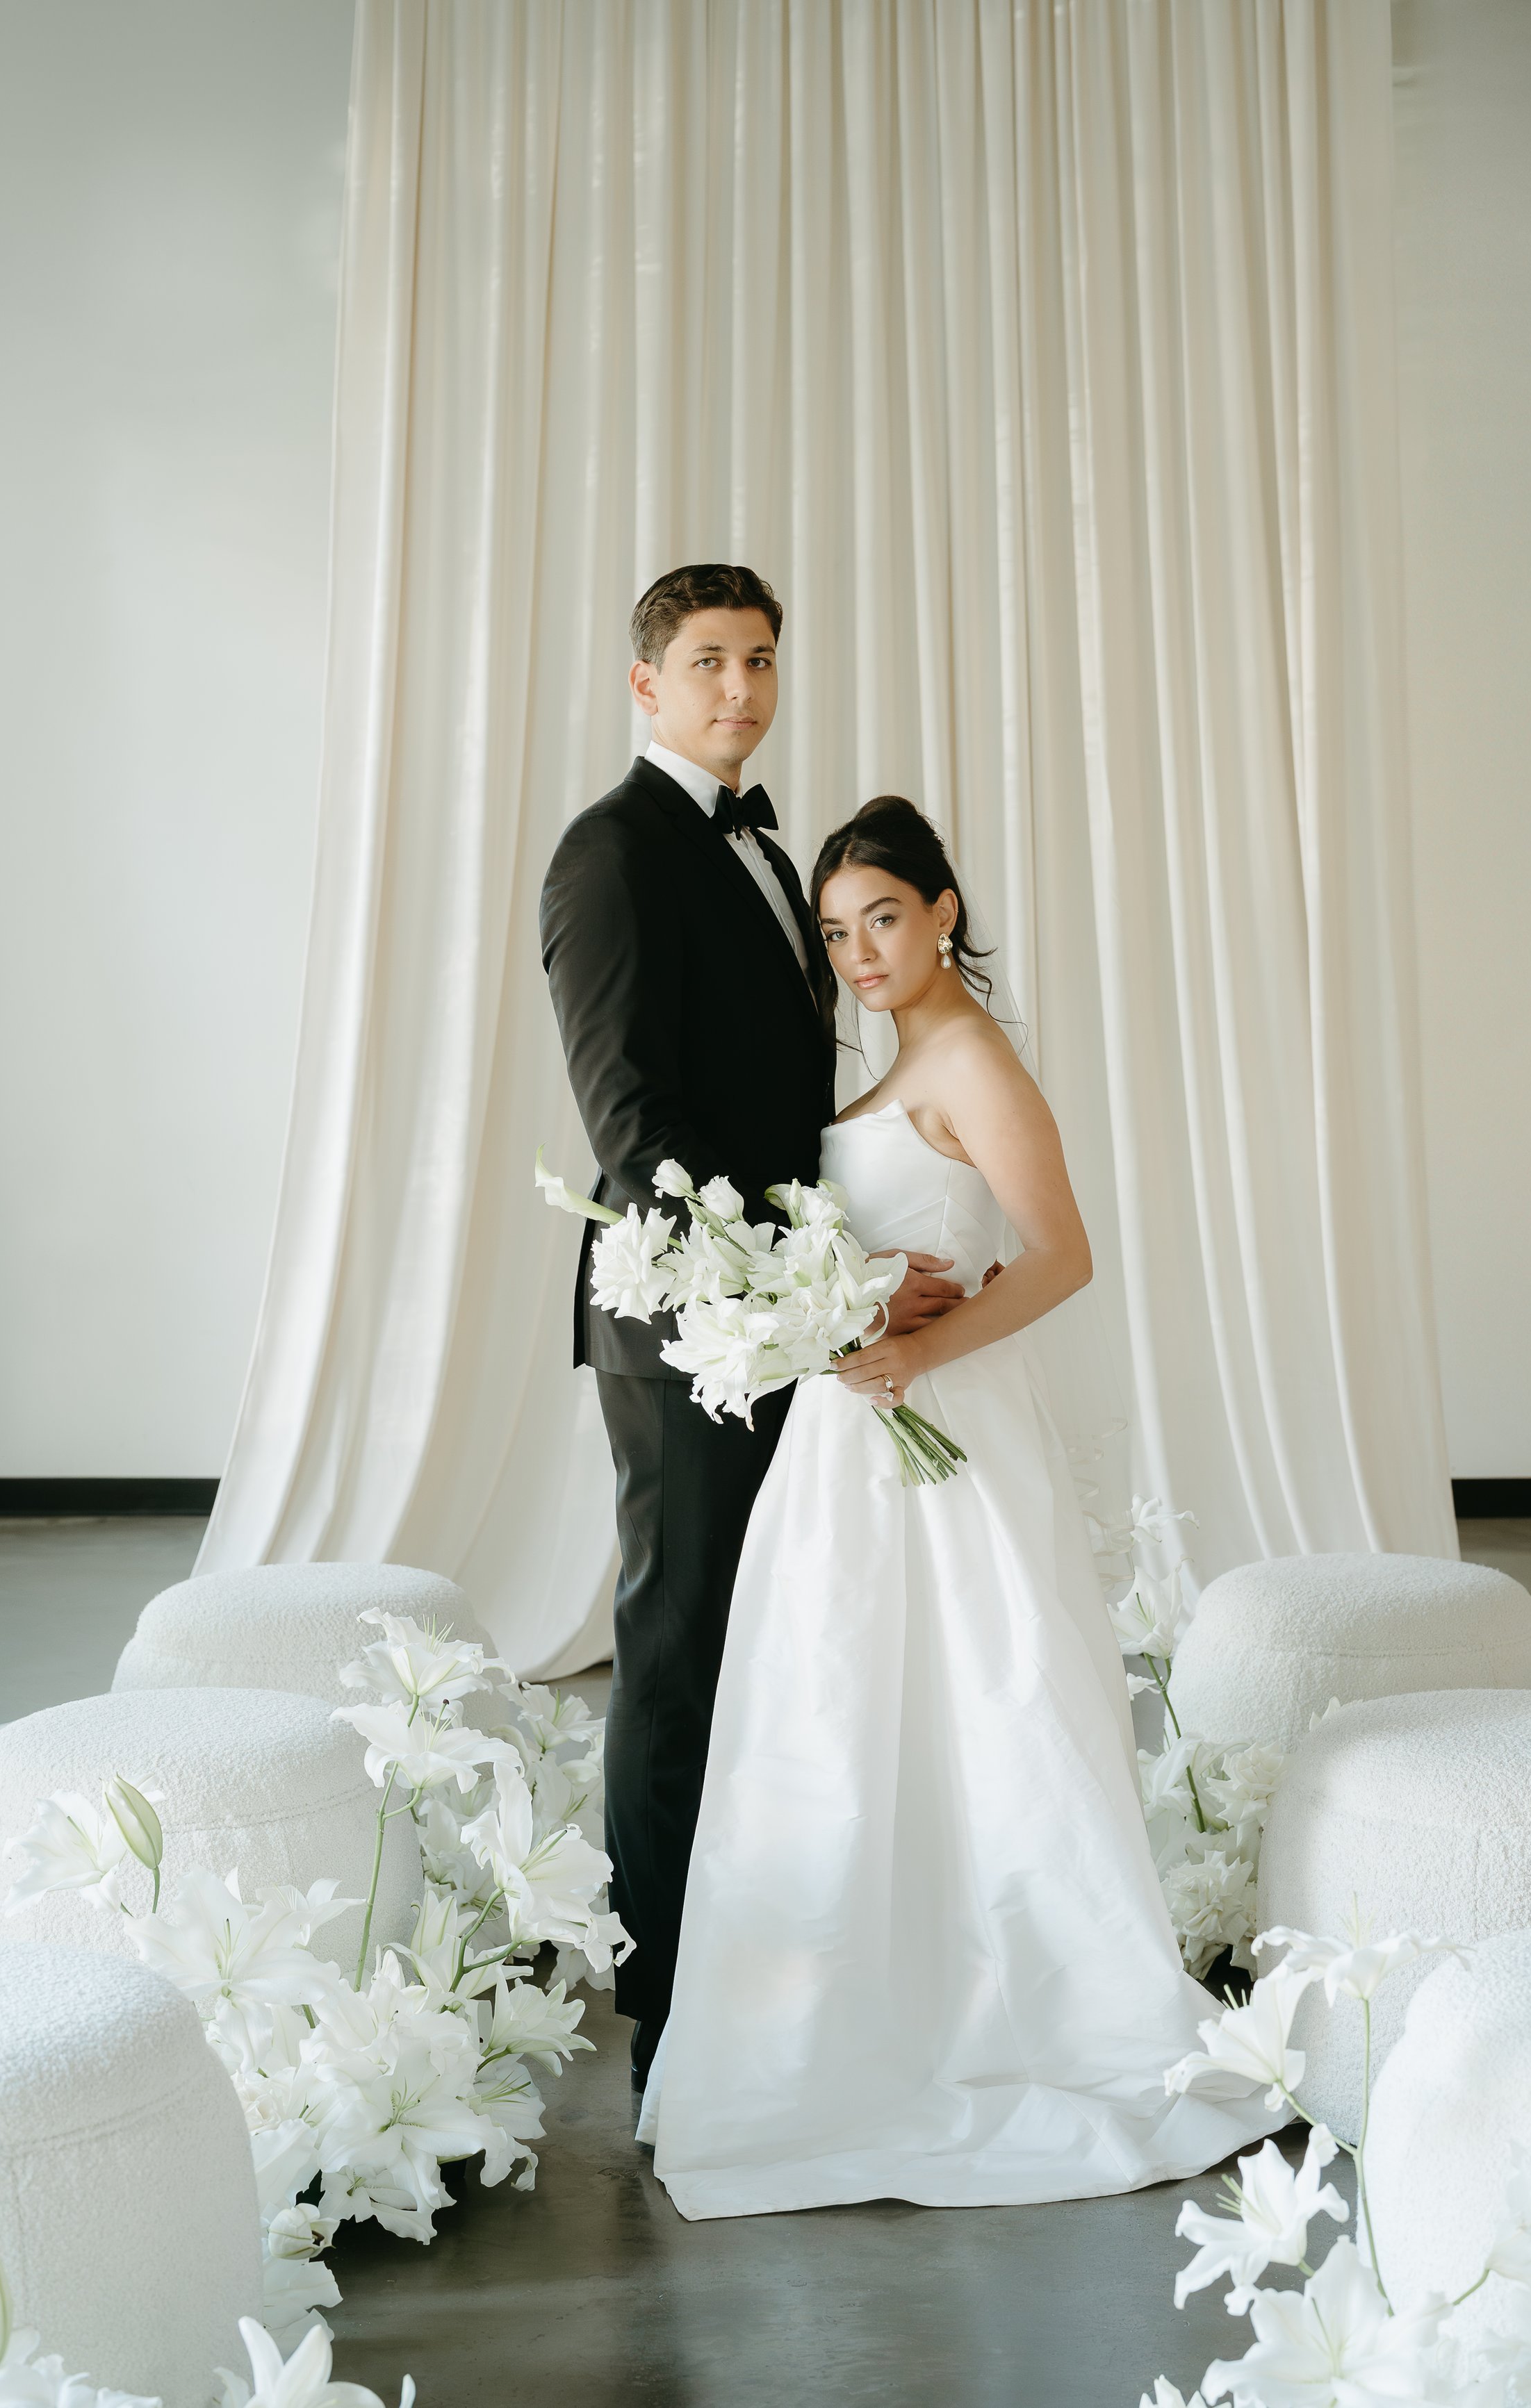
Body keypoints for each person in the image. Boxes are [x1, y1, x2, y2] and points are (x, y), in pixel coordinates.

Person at [636, 795, 1284, 2217]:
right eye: (834, 929)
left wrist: (918, 1348)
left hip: (943, 1420)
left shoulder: (973, 1056)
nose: (860, 949)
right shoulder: (891, 1058)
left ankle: (1011, 2011)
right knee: (841, 1713)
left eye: (881, 914)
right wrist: (831, 1308)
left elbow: (1058, 1256)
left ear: (939, 907)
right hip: (852, 1438)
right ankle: (827, 2013)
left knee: (982, 1705)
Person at [539, 568, 970, 2091]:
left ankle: (765, 1956)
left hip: (794, 1308)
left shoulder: (768, 844)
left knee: (777, 1635)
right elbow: (632, 1120)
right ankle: (663, 2006)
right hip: (689, 1323)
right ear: (646, 683)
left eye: (762, 659)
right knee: (677, 1640)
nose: (740, 686)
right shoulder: (610, 852)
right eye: (709, 661)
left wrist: (845, 1270)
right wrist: (773, 1288)